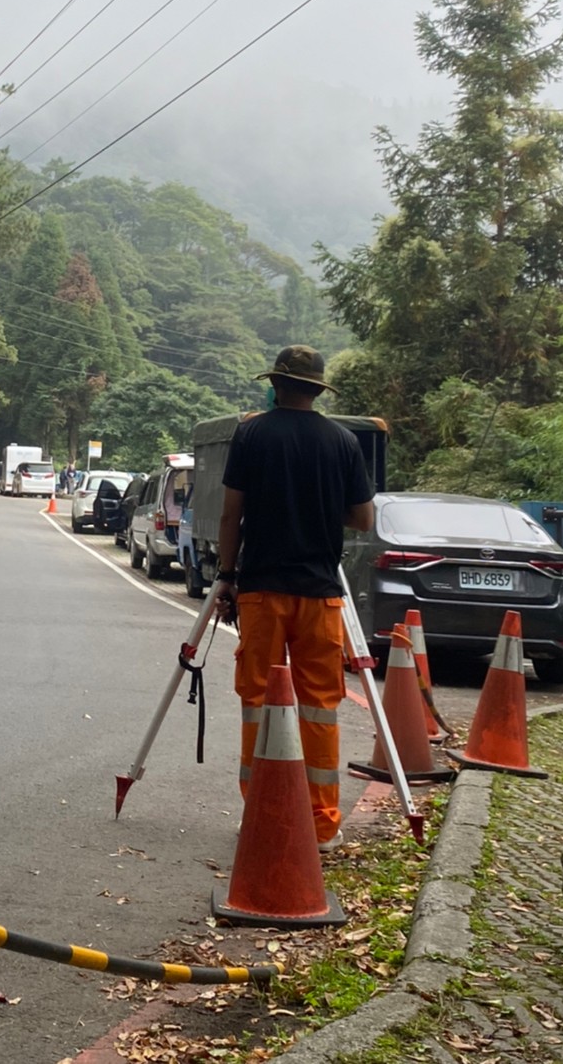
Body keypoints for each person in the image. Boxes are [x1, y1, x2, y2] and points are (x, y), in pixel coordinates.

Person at [216, 345, 375, 852]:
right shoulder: (344, 441)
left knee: (258, 703)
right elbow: (363, 519)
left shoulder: (252, 433)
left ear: (277, 385)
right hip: (320, 597)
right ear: (317, 389)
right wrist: (321, 507)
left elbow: (231, 514)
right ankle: (322, 824)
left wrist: (225, 575)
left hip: (262, 592)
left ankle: (261, 814)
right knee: (319, 707)